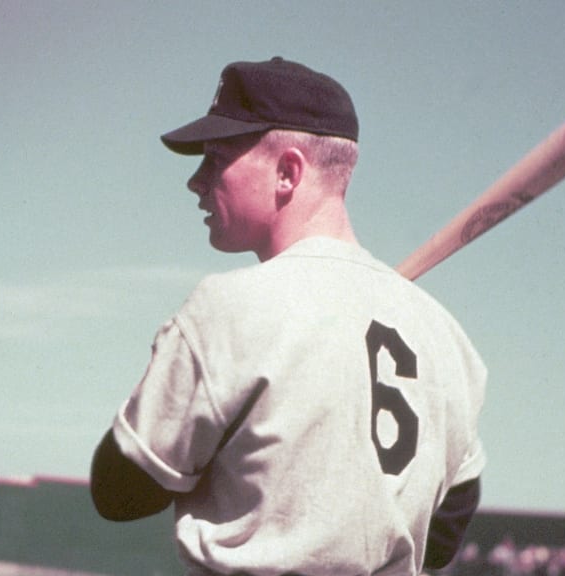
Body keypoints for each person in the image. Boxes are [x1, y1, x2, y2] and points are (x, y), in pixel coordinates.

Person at [90, 57, 487, 576]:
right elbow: (445, 531)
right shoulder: (446, 336)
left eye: (215, 158)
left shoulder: (228, 309)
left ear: (288, 171)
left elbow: (119, 492)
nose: (196, 181)